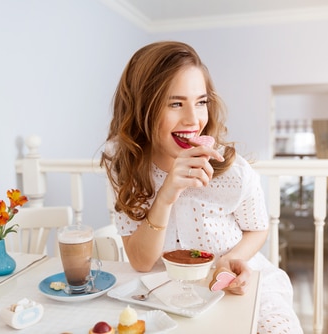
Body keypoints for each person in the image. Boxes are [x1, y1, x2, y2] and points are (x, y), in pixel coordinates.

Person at [101, 41, 303, 333]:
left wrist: (229, 261)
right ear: (142, 107)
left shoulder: (232, 170)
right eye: (175, 103)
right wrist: (166, 196)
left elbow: (257, 228)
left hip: (242, 289)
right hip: (171, 296)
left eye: (201, 102)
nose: (193, 120)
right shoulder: (126, 166)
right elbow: (142, 262)